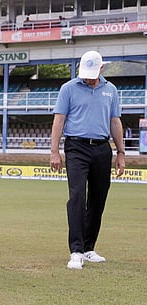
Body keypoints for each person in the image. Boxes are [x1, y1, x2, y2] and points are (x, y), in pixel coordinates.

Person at [50, 50, 125, 270]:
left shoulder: (110, 90)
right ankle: (75, 250)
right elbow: (59, 120)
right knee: (77, 196)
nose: (88, 77)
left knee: (98, 198)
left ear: (101, 68)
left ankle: (88, 247)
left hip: (102, 148)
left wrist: (121, 153)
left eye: (92, 73)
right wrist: (54, 151)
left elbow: (115, 122)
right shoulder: (68, 89)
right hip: (76, 147)